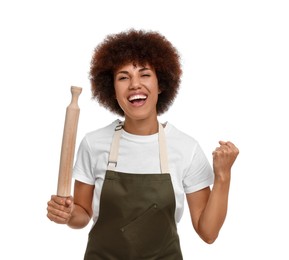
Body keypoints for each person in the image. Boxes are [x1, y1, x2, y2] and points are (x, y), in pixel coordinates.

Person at [47, 29, 239, 259]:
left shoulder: (186, 148)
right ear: (112, 90)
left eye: (145, 74)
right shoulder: (93, 143)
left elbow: (208, 233)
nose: (134, 84)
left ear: (161, 84)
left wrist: (223, 176)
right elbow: (83, 214)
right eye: (123, 77)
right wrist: (67, 214)